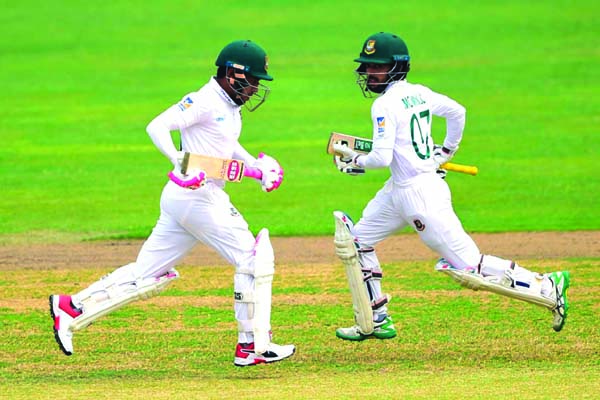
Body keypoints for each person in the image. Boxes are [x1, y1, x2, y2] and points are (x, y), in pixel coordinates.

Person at [49, 40, 295, 366]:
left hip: (186, 199)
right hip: (198, 198)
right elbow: (157, 126)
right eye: (252, 81)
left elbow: (226, 146)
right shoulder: (205, 100)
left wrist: (257, 167)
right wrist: (178, 158)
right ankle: (252, 346)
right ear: (232, 75)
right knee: (253, 260)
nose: (255, 89)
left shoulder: (228, 108)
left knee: (147, 273)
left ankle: (71, 306)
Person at [332, 32, 570, 341]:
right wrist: (445, 152)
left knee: (468, 268)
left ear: (397, 67)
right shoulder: (419, 93)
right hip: (400, 189)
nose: (369, 73)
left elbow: (380, 158)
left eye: (377, 67)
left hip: (421, 197)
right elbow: (458, 112)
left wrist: (355, 161)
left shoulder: (384, 105)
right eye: (367, 66)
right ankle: (376, 318)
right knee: (356, 241)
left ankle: (548, 287)